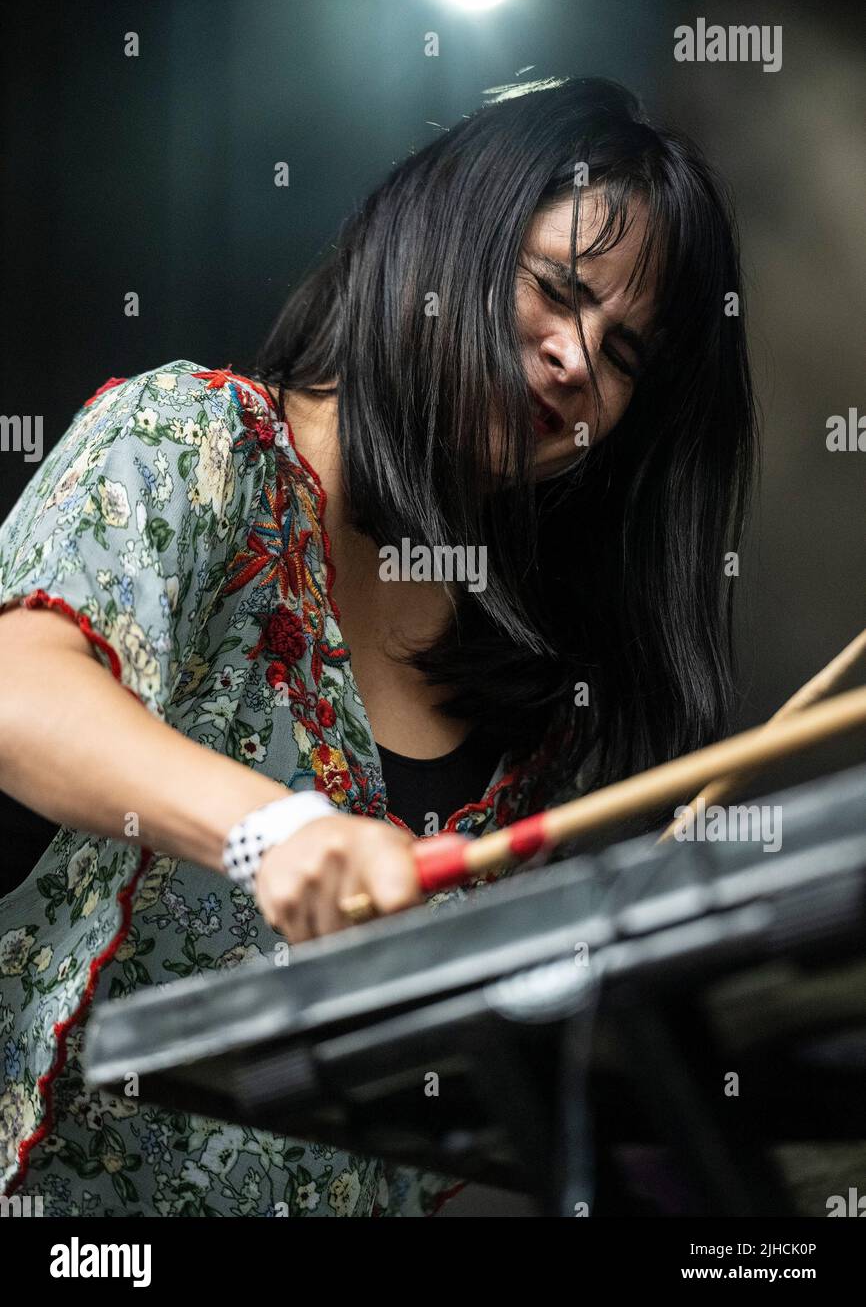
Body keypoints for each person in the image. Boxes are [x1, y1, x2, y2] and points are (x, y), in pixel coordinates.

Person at [0, 76, 756, 1216]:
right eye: (553, 290)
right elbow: (19, 687)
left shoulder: (537, 688)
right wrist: (265, 828)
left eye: (622, 357)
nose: (573, 361)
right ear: (440, 235)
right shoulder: (200, 438)